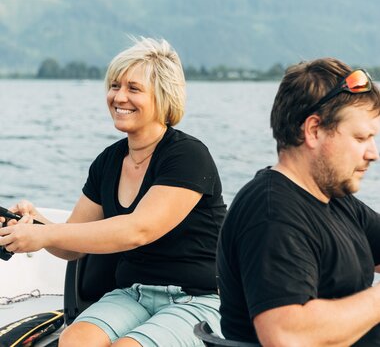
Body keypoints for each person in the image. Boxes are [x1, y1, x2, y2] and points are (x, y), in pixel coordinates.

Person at [0, 37, 226, 347]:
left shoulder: (187, 156)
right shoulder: (108, 161)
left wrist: (45, 236)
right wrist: (35, 222)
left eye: (133, 89)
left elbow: (138, 230)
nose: (119, 96)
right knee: (73, 341)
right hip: (133, 293)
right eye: (115, 86)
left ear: (163, 96)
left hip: (197, 298)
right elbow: (72, 245)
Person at [217, 57, 380, 346]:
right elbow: (287, 334)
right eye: (360, 138)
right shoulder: (271, 213)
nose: (372, 153)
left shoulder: (336, 200)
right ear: (314, 130)